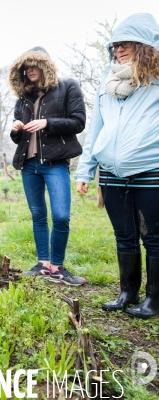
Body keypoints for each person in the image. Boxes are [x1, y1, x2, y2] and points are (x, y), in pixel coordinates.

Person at [75, 13, 159, 318]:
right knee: (124, 235)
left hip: (151, 170)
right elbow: (97, 125)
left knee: (153, 237)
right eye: (115, 46)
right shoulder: (107, 81)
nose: (118, 50)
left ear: (145, 45)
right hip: (111, 173)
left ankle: (153, 299)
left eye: (125, 44)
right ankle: (127, 293)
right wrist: (85, 170)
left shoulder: (156, 79)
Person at [8, 46, 86, 286]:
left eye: (34, 65)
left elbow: (78, 122)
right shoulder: (23, 98)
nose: (30, 70)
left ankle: (58, 266)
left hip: (55, 163)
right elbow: (18, 137)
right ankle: (43, 264)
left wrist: (47, 122)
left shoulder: (68, 87)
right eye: (26, 67)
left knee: (61, 216)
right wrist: (15, 130)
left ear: (45, 65)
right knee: (38, 215)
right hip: (29, 164)